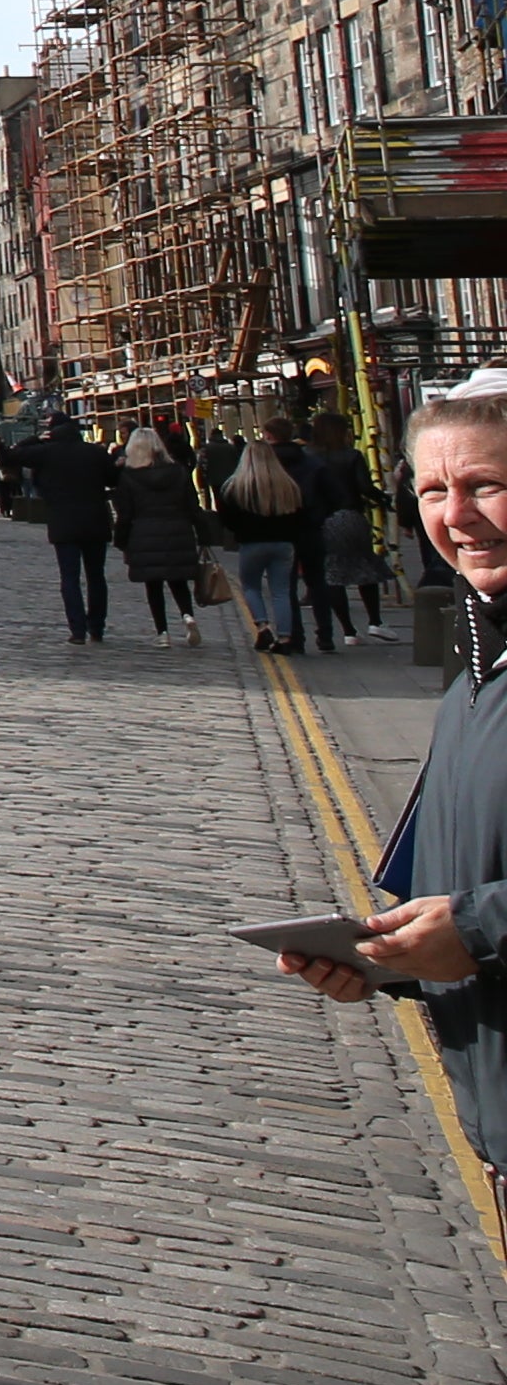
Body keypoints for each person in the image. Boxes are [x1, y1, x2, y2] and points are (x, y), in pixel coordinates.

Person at [277, 376, 507, 1189]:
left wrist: (476, 930)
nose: (456, 516)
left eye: (487, 486)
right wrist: (391, 958)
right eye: (437, 490)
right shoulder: (476, 675)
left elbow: (480, 915)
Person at [25, 411, 116, 646]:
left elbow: (9, 455)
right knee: (96, 576)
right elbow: (114, 479)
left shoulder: (47, 453)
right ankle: (97, 627)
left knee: (70, 577)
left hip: (63, 522)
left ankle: (77, 630)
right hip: (95, 520)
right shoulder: (95, 452)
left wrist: (36, 439)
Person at [218, 430, 312, 653]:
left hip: (251, 543)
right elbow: (300, 515)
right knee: (281, 591)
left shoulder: (234, 487)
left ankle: (262, 626)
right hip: (283, 543)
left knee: (250, 586)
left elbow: (227, 520)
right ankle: (286, 638)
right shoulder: (287, 485)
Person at [115, 426, 210, 645]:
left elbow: (125, 513)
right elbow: (193, 507)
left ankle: (163, 633)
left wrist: (121, 540)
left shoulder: (129, 476)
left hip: (144, 533)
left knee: (154, 585)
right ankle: (188, 616)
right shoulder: (178, 471)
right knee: (178, 581)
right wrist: (204, 535)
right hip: (178, 531)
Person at [303, 425, 378, 652]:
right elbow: (365, 486)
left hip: (321, 520)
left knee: (333, 575)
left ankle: (348, 631)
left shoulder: (309, 457)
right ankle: (375, 621)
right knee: (364, 566)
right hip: (350, 515)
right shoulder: (352, 455)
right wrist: (382, 498)